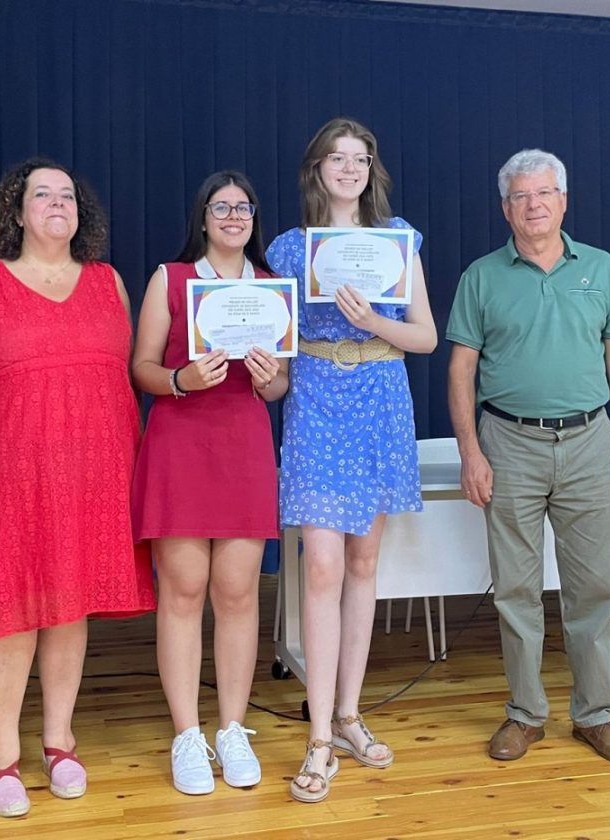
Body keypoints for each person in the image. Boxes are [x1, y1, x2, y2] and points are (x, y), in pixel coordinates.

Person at [0, 158, 156, 818]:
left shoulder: (108, 282)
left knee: (70, 607)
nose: (58, 203)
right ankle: (1, 755)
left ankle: (59, 740)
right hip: (7, 482)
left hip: (93, 480)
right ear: (17, 212)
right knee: (10, 613)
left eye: (68, 196)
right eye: (43, 194)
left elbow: (129, 374)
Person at [446, 148, 610, 765]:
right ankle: (526, 714)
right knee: (516, 590)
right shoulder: (481, 276)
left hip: (589, 441)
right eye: (521, 196)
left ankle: (595, 716)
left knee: (595, 587)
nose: (534, 205)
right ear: (505, 208)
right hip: (508, 443)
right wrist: (471, 451)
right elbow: (460, 371)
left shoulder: (602, 268)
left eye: (545, 193)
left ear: (564, 200)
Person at [266, 118, 437, 803]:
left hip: (380, 398)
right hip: (314, 398)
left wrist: (372, 321)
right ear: (316, 170)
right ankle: (317, 738)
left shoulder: (400, 243)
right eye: (336, 158)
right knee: (323, 567)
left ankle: (348, 716)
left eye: (359, 158)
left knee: (363, 565)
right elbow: (273, 344)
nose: (348, 168)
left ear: (372, 169)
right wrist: (257, 369)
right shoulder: (288, 247)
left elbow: (424, 336)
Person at [131, 171, 288, 796]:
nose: (232, 216)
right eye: (220, 207)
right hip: (180, 447)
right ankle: (187, 735)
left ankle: (231, 728)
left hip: (245, 448)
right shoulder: (171, 280)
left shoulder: (273, 288)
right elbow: (140, 367)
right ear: (202, 217)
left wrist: (271, 376)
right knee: (184, 591)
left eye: (242, 207)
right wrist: (180, 381)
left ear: (253, 217)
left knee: (238, 593)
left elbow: (276, 388)